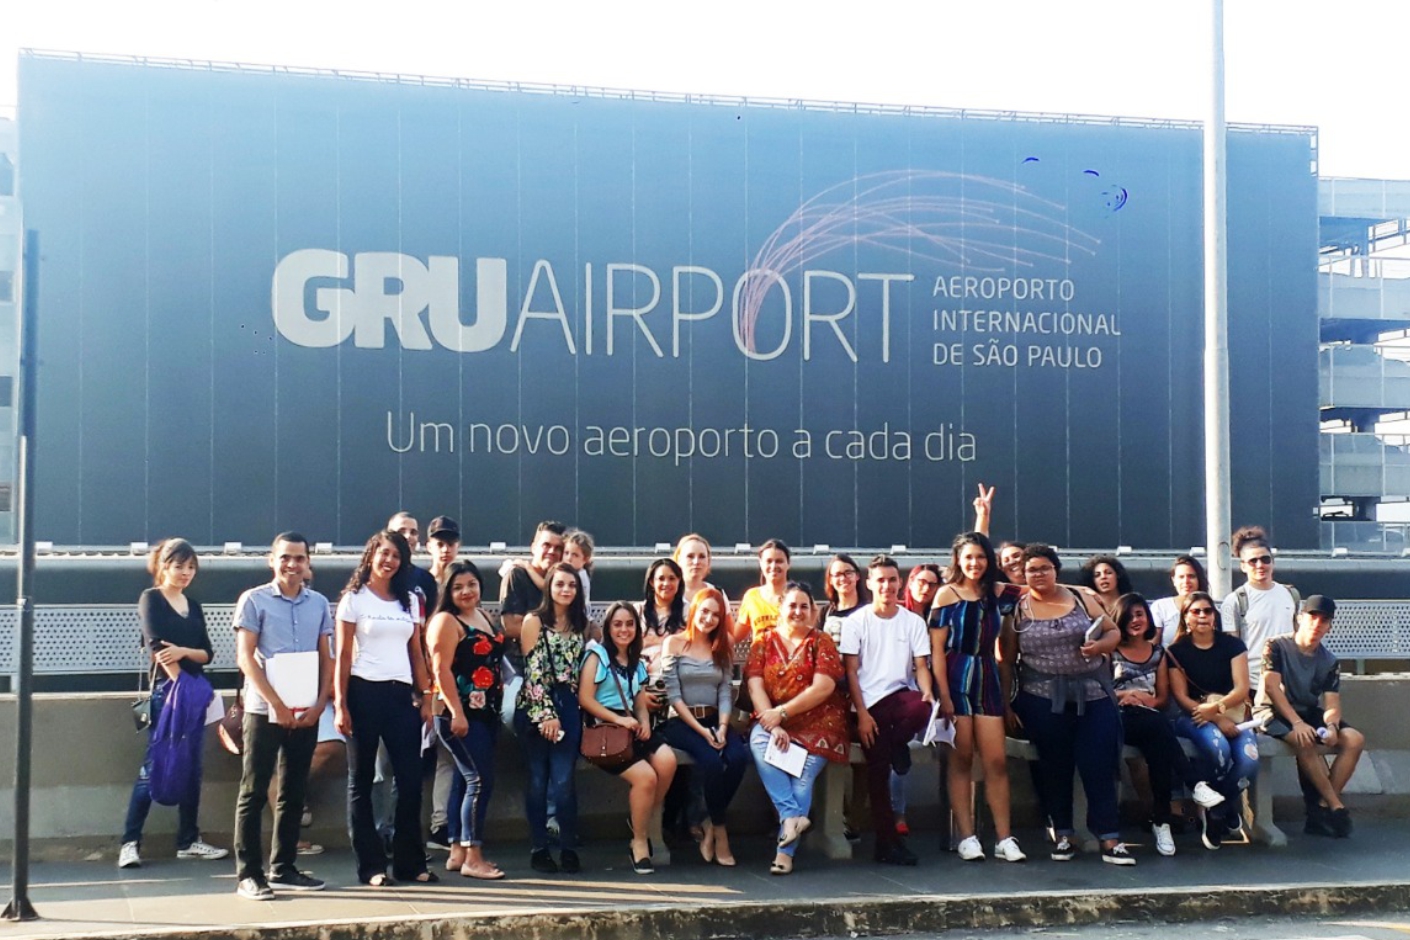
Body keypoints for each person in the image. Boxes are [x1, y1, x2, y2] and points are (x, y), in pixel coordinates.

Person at [1001, 544, 1133, 865]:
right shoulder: (1017, 609)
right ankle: (1062, 834)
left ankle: (1110, 838)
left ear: (1056, 569)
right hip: (1042, 696)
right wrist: (1007, 704)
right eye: (1032, 570)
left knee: (1099, 762)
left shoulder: (1081, 597)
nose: (1039, 574)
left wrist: (1099, 646)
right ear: (1024, 574)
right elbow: (1006, 659)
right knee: (1054, 766)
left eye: (1045, 568)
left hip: (1093, 693)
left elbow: (1114, 632)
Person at [231, 532, 333, 899]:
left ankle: (283, 867)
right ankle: (248, 874)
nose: (292, 565)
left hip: (305, 709)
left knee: (294, 789)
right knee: (254, 789)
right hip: (264, 710)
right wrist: (275, 703)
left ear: (308, 563)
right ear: (272, 560)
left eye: (299, 558)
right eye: (285, 558)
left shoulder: (319, 603)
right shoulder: (254, 600)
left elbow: (326, 655)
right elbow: (245, 656)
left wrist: (322, 701)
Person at [334, 530, 437, 886]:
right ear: (371, 555)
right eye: (384, 553)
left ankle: (410, 862)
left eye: (397, 555)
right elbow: (343, 656)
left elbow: (417, 651)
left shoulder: (409, 600)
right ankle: (372, 866)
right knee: (361, 780)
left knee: (410, 782)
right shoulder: (353, 599)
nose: (389, 561)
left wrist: (426, 696)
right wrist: (341, 704)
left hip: (401, 696)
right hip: (363, 693)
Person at [118, 538, 227, 870]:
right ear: (162, 565)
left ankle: (188, 840)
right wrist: (179, 676)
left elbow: (207, 653)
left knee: (193, 767)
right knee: (155, 766)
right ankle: (130, 842)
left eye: (191, 566)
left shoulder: (193, 606)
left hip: (195, 691)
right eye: (179, 565)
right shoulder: (151, 599)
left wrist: (183, 653)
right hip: (169, 692)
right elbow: (157, 647)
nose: (185, 572)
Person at [930, 532, 1026, 863]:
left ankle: (1004, 837)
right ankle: (967, 835)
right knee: (961, 758)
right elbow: (937, 652)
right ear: (958, 559)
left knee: (996, 760)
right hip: (956, 674)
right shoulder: (946, 595)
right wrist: (943, 695)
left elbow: (1039, 591)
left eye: (981, 557)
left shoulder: (998, 594)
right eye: (968, 557)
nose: (975, 563)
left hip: (987, 675)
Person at [745, 581, 850, 875]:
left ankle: (784, 852)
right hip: (773, 721)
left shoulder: (821, 642)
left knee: (802, 779)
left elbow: (824, 687)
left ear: (813, 611)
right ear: (780, 608)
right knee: (758, 741)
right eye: (792, 605)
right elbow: (754, 684)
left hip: (820, 722)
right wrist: (772, 719)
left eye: (804, 606)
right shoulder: (763, 641)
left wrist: (782, 712)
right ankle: (792, 816)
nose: (798, 611)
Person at [1111, 593, 1225, 857]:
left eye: (1139, 614)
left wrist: (1145, 700)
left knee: (1159, 748)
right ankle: (1191, 790)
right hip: (1118, 716)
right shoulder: (1110, 650)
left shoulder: (1158, 653)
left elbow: (1163, 699)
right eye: (1129, 615)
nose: (1135, 620)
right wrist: (1124, 696)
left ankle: (1161, 822)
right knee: (1160, 731)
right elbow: (1101, 689)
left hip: (1149, 717)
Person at [841, 555, 934, 866]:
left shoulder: (913, 621)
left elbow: (921, 665)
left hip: (898, 699)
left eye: (892, 579)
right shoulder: (856, 621)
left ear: (900, 583)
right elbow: (851, 672)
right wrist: (863, 715)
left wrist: (928, 691)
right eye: (880, 580)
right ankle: (887, 843)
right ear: (869, 584)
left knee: (921, 707)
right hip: (866, 708)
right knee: (877, 771)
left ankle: (897, 747)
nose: (887, 585)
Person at [578, 602, 678, 874]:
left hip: (632, 725)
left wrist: (644, 721)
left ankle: (640, 817)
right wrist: (620, 719)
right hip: (606, 729)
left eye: (629, 624)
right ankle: (639, 840)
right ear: (609, 628)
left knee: (667, 761)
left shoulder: (636, 661)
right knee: (646, 777)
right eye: (617, 624)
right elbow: (585, 699)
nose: (624, 629)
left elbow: (639, 700)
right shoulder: (596, 657)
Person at [1255, 595, 1364, 838]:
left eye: (1324, 620)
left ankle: (1322, 806)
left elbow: (1331, 703)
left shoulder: (1330, 661)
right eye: (1312, 616)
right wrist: (1296, 723)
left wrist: (1332, 726)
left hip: (1307, 711)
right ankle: (1336, 807)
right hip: (1271, 711)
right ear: (1300, 618)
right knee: (1303, 739)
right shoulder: (1276, 646)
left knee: (1354, 739)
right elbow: (1272, 688)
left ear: (1329, 626)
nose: (1317, 623)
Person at [427, 560, 507, 878]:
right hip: (458, 714)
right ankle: (474, 856)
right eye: (458, 586)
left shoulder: (482, 615)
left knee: (465, 778)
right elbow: (440, 669)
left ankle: (458, 850)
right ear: (447, 590)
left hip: (484, 711)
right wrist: (457, 712)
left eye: (471, 584)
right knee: (479, 781)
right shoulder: (446, 621)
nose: (466, 591)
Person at [659, 587, 750, 866]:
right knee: (711, 760)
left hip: (715, 719)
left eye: (715, 614)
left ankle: (711, 820)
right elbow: (673, 695)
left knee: (737, 756)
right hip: (682, 722)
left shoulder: (722, 646)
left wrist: (722, 728)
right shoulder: (674, 643)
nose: (708, 618)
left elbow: (725, 692)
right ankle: (721, 832)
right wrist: (702, 733)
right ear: (694, 611)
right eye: (704, 611)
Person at [1167, 591, 1259, 850]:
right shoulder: (1176, 651)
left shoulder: (1232, 645)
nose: (1202, 616)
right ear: (1186, 618)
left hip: (1234, 713)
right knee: (1218, 747)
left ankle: (1217, 808)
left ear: (1214, 616)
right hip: (1192, 717)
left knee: (1249, 759)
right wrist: (1214, 718)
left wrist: (1218, 708)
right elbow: (1181, 696)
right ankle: (1222, 809)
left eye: (1207, 611)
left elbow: (1241, 688)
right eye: (1195, 612)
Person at [515, 562, 590, 874]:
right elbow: (533, 674)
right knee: (537, 779)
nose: (566, 590)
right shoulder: (534, 622)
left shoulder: (580, 625)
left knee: (563, 781)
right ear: (549, 587)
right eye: (560, 584)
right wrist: (546, 715)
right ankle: (539, 847)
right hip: (536, 705)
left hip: (569, 704)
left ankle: (569, 846)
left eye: (572, 585)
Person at [1220, 525, 1300, 692]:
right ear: (1243, 566)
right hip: (1254, 687)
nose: (1260, 565)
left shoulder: (1291, 594)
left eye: (1265, 559)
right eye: (1252, 561)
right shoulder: (1233, 601)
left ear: (1273, 561)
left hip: (1289, 684)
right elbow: (1231, 650)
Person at [424, 515, 462, 853]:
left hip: (452, 682)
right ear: (429, 546)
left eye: (450, 542)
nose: (445, 548)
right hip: (422, 680)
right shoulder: (418, 582)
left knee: (447, 756)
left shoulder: (463, 580)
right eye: (439, 542)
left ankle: (443, 825)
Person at [734, 539, 791, 643]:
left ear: (788, 564)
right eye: (769, 561)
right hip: (760, 657)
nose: (773, 566)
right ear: (761, 564)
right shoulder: (752, 596)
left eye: (779, 561)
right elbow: (735, 636)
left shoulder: (798, 595)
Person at [1150, 555, 1209, 647]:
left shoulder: (1209, 609)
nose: (1186, 581)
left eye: (1191, 576)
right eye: (1181, 577)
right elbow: (1152, 646)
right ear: (1174, 580)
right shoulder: (1160, 607)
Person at [563, 529, 596, 605]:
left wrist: (530, 569)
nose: (569, 558)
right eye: (566, 553)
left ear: (585, 559)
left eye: (575, 555)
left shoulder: (580, 577)